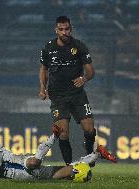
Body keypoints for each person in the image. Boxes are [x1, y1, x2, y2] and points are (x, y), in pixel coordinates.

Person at [0, 124, 116, 180]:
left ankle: (52, 137)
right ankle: (97, 154)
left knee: (33, 162)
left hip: (22, 163)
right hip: (31, 177)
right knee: (68, 171)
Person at [39, 16, 96, 165]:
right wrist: (42, 89)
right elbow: (43, 69)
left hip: (77, 95)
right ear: (56, 30)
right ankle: (69, 167)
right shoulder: (48, 48)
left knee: (89, 128)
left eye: (67, 29)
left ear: (71, 29)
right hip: (58, 97)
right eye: (61, 29)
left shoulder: (80, 46)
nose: (64, 32)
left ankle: (89, 154)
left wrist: (84, 79)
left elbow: (90, 71)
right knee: (63, 133)